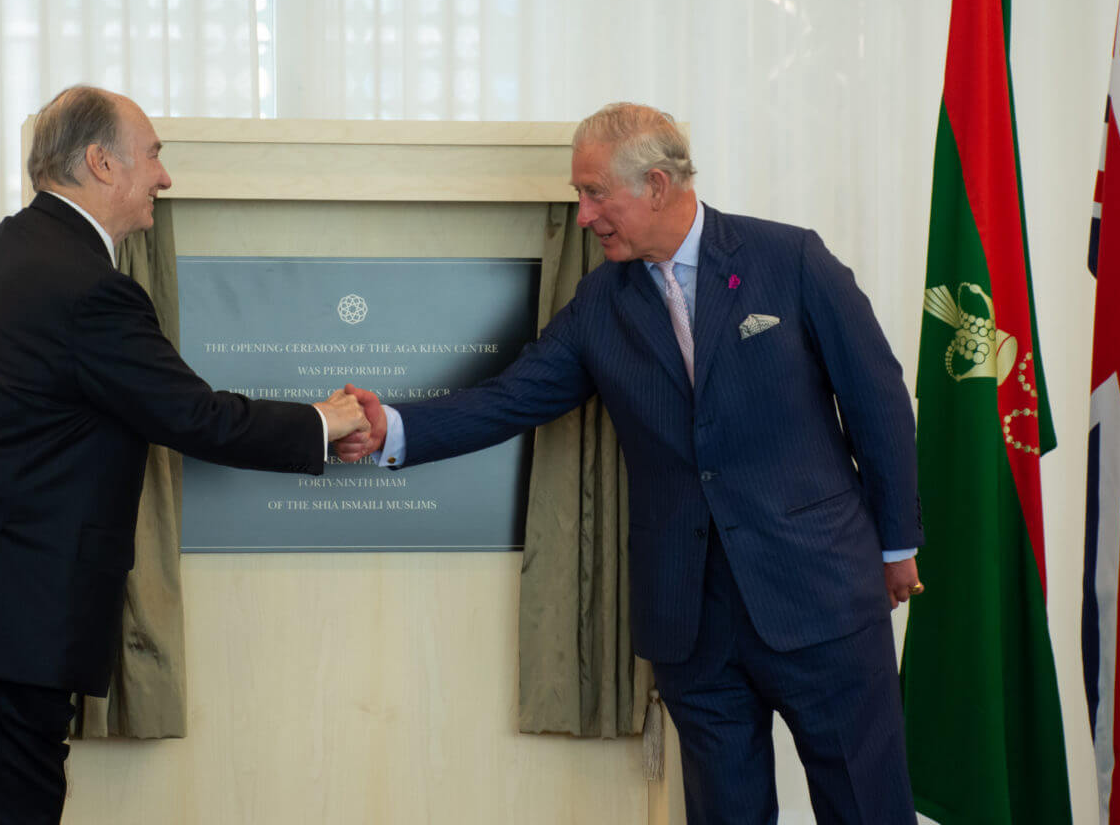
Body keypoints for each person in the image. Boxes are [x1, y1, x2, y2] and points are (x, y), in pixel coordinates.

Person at [337, 102, 924, 825]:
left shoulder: (790, 260)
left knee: (867, 808)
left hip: (821, 593)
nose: (582, 215)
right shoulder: (600, 303)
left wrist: (896, 545)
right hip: (691, 621)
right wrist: (391, 427)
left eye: (593, 194)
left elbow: (879, 401)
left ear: (654, 183)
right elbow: (515, 396)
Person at [0, 85, 369, 823]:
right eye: (153, 155)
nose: (164, 176)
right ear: (101, 163)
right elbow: (195, 416)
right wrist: (324, 421)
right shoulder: (88, 290)